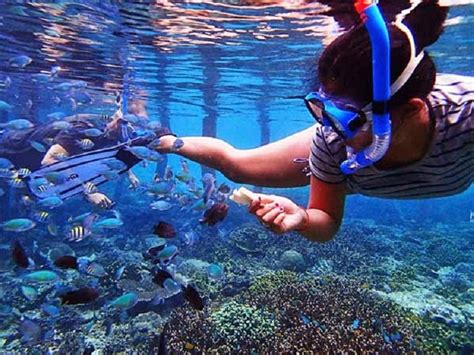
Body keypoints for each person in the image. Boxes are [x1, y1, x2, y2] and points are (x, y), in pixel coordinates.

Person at [152, 1, 473, 242]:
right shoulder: (332, 140)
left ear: (411, 111)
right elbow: (326, 220)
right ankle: (163, 141)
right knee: (238, 167)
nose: (329, 128)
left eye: (346, 118)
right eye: (322, 109)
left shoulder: (467, 115)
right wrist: (304, 218)